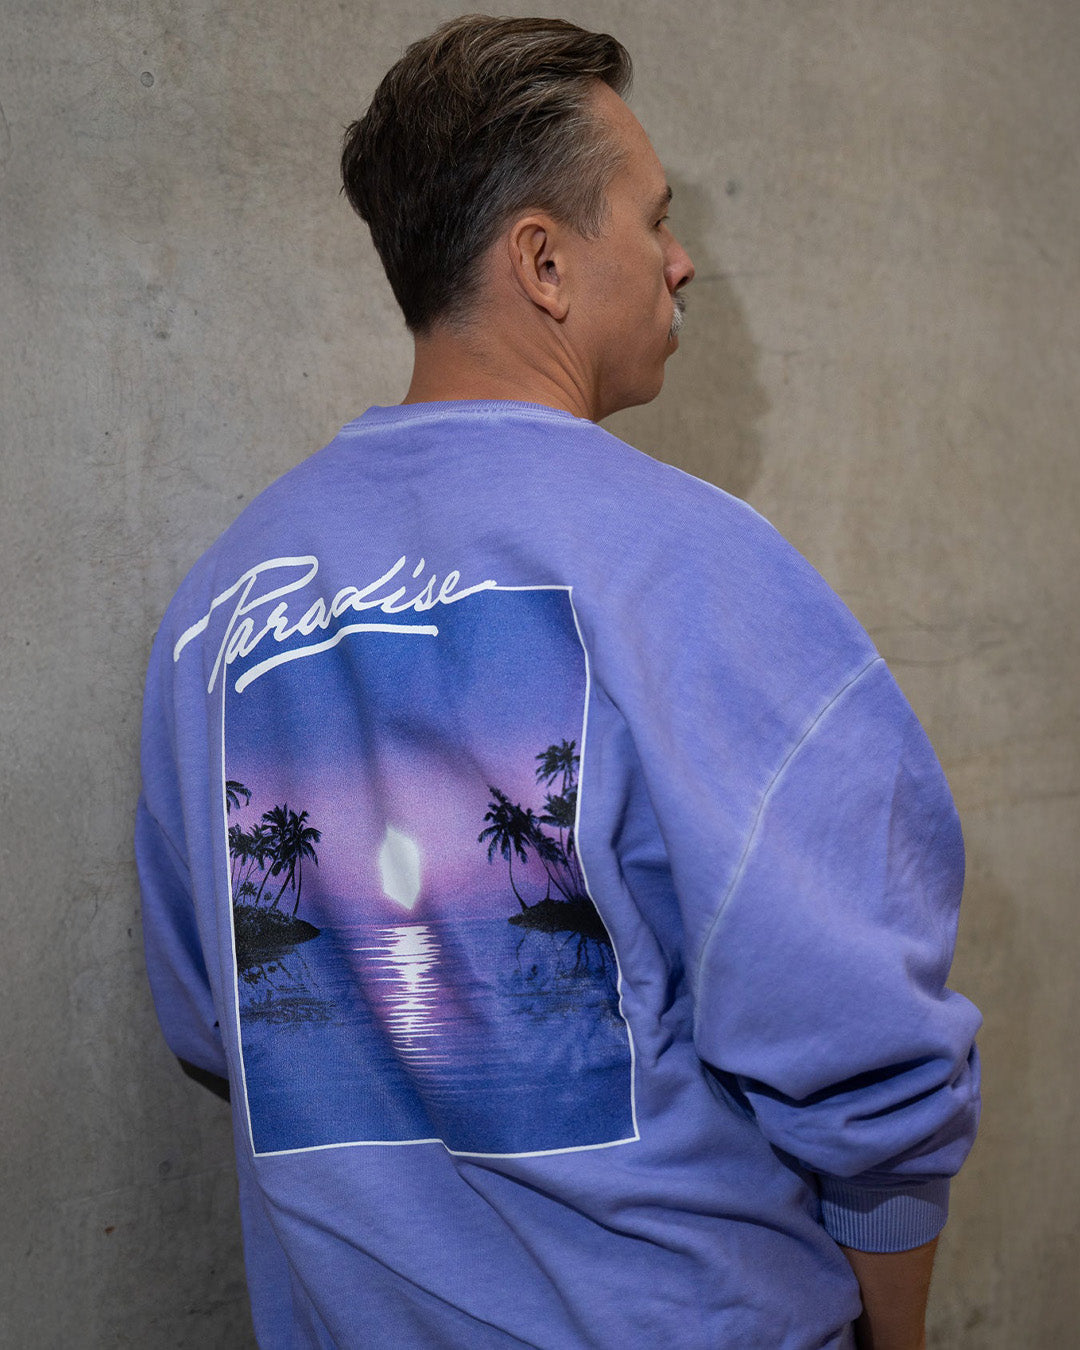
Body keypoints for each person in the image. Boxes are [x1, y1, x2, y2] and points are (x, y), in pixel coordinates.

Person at [136, 15, 981, 1349]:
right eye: (655, 218)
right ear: (543, 262)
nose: (681, 259)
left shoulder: (216, 611)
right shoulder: (695, 569)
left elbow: (215, 1019)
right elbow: (868, 1063)